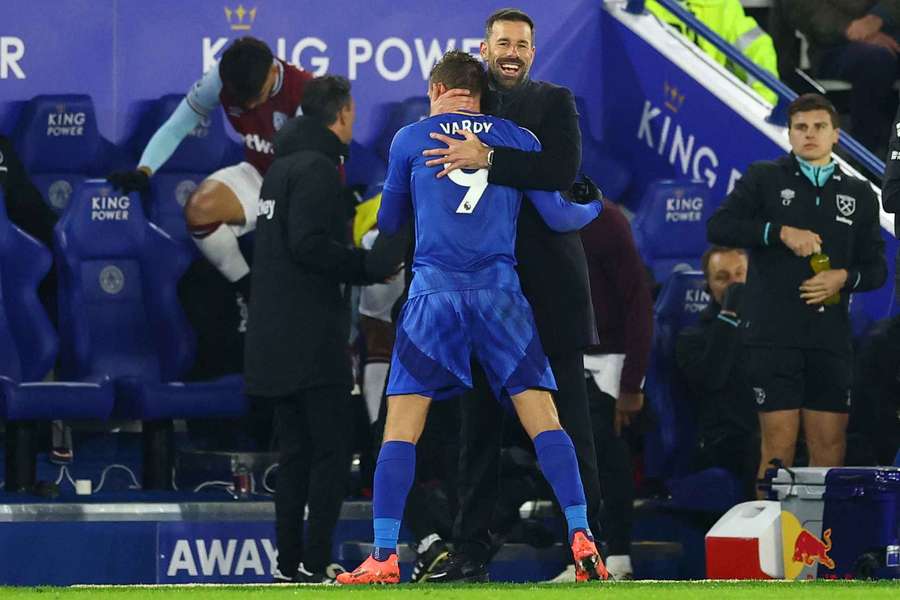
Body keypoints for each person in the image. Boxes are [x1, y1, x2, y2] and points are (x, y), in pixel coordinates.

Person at [336, 50, 606, 585]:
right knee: (544, 421)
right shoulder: (514, 139)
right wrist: (594, 206)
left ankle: (386, 555)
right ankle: (582, 540)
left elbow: (389, 222)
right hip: (501, 297)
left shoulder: (412, 139)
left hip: (433, 296)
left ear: (436, 90)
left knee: (402, 429)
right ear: (481, 94)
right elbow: (558, 216)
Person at [420, 9, 605, 582]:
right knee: (477, 430)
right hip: (483, 294)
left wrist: (489, 159)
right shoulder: (467, 104)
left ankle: (587, 549)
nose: (513, 52)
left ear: (533, 52)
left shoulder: (553, 102)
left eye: (522, 44)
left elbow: (561, 169)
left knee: (568, 422)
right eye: (503, 42)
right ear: (484, 47)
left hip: (548, 292)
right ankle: (469, 553)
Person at [243, 75, 398, 583]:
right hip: (309, 339)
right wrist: (366, 265)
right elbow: (308, 244)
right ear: (344, 114)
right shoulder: (315, 169)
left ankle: (291, 564)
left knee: (295, 455)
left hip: (274, 335)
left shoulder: (280, 167)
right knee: (330, 452)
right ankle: (313, 560)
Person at [707, 93, 886, 491]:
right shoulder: (763, 178)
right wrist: (779, 232)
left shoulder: (859, 194)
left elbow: (877, 269)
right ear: (789, 134)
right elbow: (718, 227)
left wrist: (843, 278)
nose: (810, 135)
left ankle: (822, 550)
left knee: (829, 450)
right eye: (801, 127)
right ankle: (771, 553)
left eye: (819, 126)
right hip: (773, 337)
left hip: (829, 338)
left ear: (836, 135)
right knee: (777, 450)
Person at [108, 37, 312, 299]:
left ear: (274, 71)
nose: (249, 106)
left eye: (256, 96)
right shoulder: (221, 78)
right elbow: (178, 125)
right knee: (200, 208)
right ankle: (248, 290)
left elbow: (315, 169)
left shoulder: (306, 92)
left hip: (302, 187)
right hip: (260, 174)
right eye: (242, 99)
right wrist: (144, 170)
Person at [549, 195, 653, 582]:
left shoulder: (606, 220)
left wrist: (631, 384)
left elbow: (637, 302)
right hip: (562, 359)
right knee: (565, 460)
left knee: (610, 460)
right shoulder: (533, 216)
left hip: (607, 364)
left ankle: (619, 554)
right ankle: (579, 556)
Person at [676, 246, 759, 498]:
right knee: (758, 447)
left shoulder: (770, 329)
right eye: (723, 278)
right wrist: (730, 314)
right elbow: (712, 379)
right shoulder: (692, 338)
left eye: (740, 275)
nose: (735, 285)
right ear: (708, 286)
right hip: (723, 441)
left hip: (772, 429)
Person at [785, 1, 900, 154]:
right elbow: (804, 8)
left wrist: (877, 18)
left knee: (879, 57)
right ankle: (865, 155)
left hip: (889, 31)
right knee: (876, 60)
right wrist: (849, 28)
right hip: (832, 44)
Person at [646, 0, 779, 104]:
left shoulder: (724, 6)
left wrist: (760, 104)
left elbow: (757, 49)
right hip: (644, 88)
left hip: (700, 106)